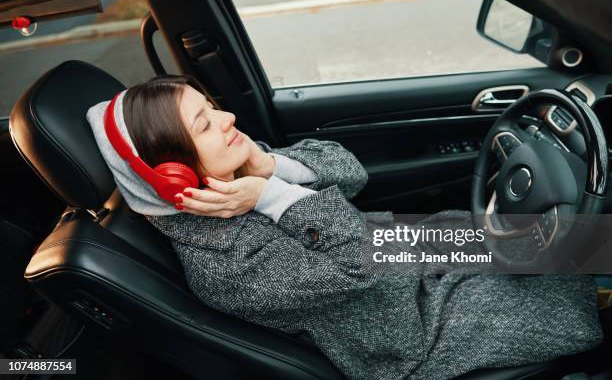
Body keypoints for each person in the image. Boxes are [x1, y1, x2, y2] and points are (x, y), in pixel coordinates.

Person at [86, 75, 603, 380]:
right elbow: (360, 267)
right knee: (578, 280)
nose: (226, 120)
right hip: (414, 336)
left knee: (578, 241)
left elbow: (350, 172)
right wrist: (274, 196)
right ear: (173, 174)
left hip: (413, 261)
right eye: (205, 125)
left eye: (211, 108)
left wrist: (272, 170)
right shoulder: (227, 270)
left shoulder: (243, 170)